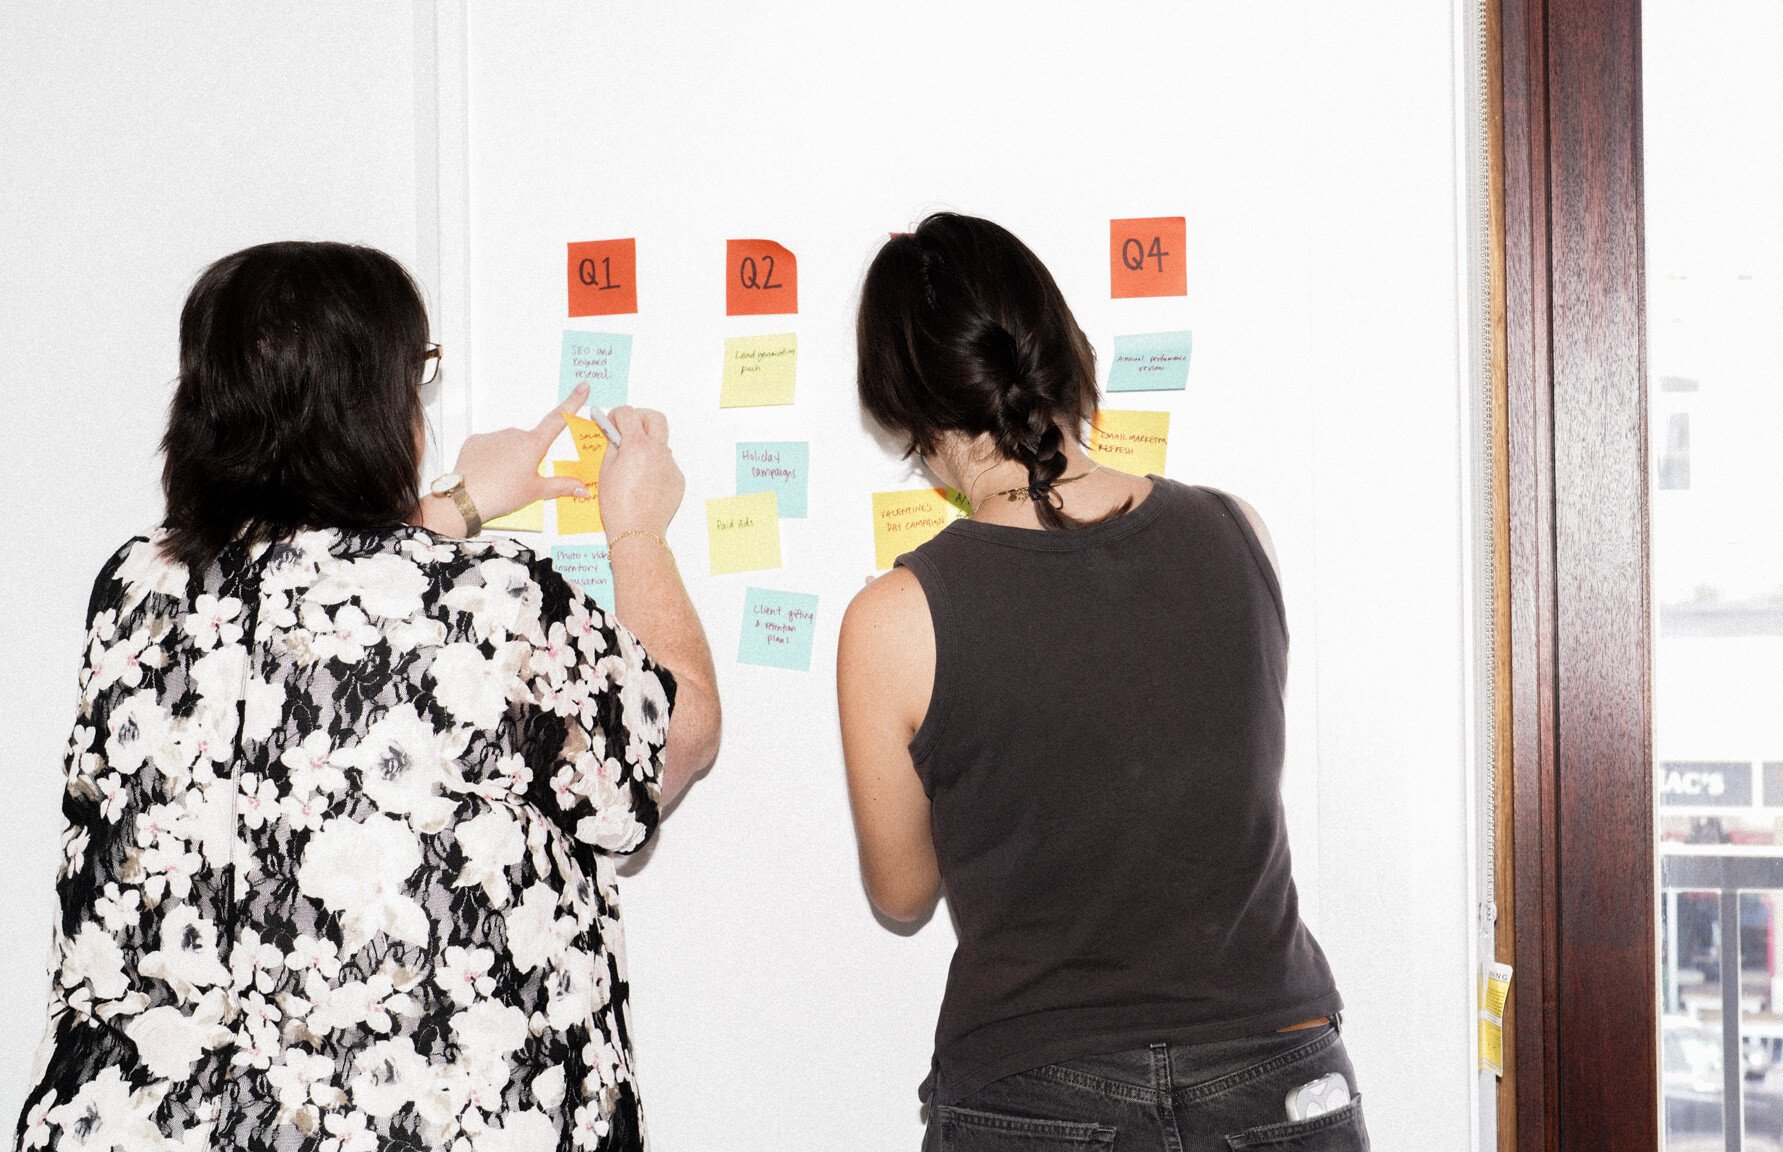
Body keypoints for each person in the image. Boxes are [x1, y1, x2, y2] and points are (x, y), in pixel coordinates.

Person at [15, 241, 719, 1152]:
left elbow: (302, 582)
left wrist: (457, 503)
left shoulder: (134, 591)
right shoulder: (494, 605)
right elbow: (678, 735)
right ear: (378, 402)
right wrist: (637, 529)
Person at [839, 213, 1367, 1151]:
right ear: (1060, 347)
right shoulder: (1239, 532)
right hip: (1278, 1070)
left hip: (1034, 1090)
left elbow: (902, 893)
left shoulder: (895, 620)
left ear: (914, 413)